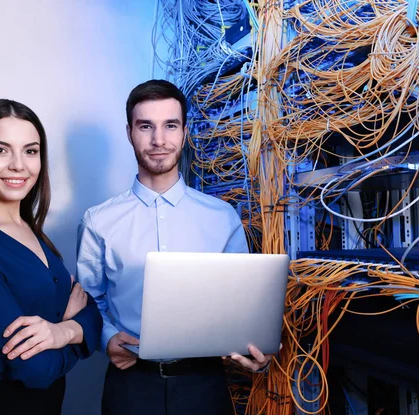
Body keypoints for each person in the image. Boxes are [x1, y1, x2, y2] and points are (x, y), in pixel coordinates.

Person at [76, 80, 274, 415]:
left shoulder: (221, 217)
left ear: (184, 132)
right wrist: (107, 337)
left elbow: (242, 302)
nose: (158, 140)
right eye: (145, 126)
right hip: (130, 386)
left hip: (205, 385)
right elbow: (88, 300)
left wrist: (255, 347)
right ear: (129, 133)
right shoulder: (98, 221)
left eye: (170, 126)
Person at [0, 99, 102, 415]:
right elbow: (35, 369)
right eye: (0, 150)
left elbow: (94, 312)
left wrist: (60, 332)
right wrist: (74, 327)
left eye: (31, 151)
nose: (18, 165)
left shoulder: (33, 232)